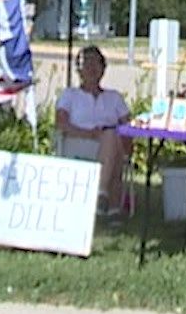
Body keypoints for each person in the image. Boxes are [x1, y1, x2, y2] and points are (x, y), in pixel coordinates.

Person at [56, 46, 131, 216]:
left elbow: (128, 127)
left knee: (112, 137)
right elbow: (61, 124)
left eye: (96, 63)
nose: (91, 68)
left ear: (103, 69)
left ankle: (102, 193)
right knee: (113, 143)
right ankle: (111, 208)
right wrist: (89, 134)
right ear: (79, 70)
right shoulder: (70, 95)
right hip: (79, 142)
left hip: (111, 144)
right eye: (86, 63)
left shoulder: (114, 97)